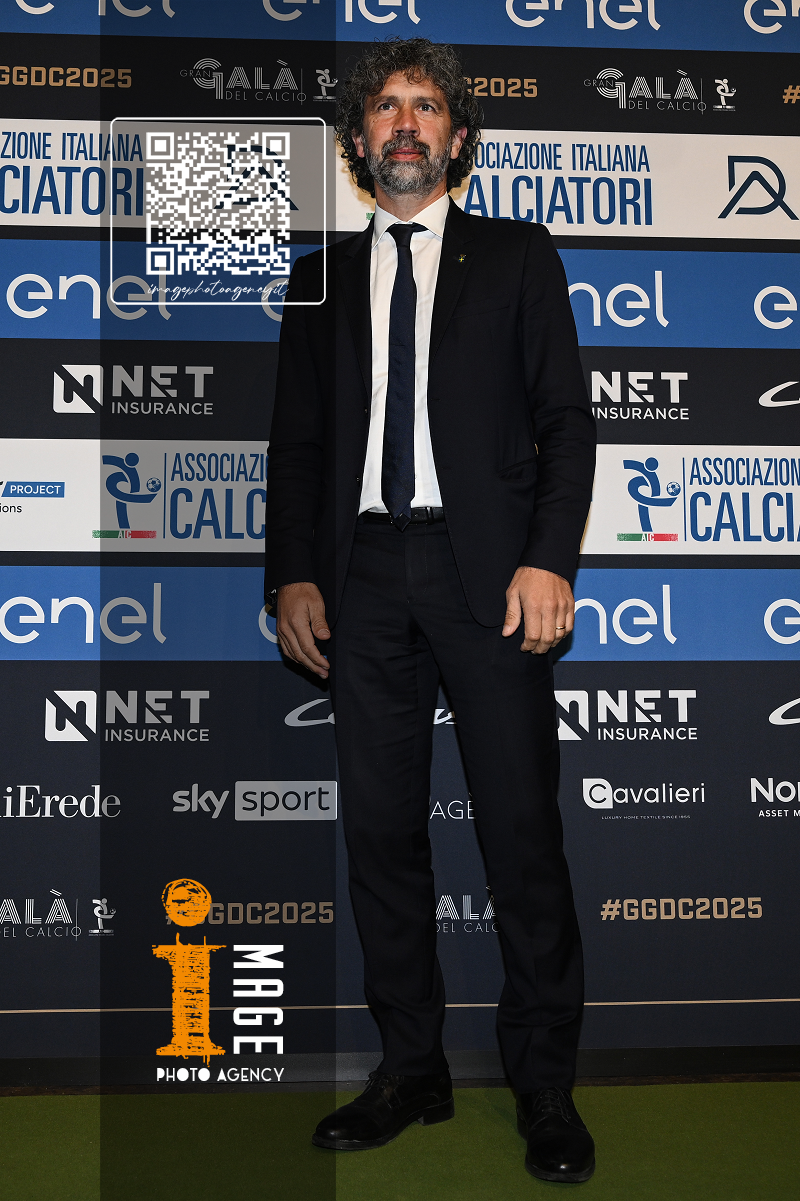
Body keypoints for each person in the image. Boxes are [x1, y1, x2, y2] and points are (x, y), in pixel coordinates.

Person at [266, 37, 597, 1185]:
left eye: (424, 106)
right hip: (358, 579)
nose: (403, 122)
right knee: (380, 837)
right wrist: (289, 574)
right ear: (357, 143)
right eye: (383, 107)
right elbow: (296, 447)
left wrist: (547, 559)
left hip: (489, 581)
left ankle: (543, 1083)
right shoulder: (316, 277)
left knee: (519, 835)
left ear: (456, 137)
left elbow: (564, 422)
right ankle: (410, 1068)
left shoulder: (516, 255)